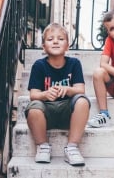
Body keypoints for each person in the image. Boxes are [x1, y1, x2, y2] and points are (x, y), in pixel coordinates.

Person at [24, 23, 90, 166]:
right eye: (50, 39)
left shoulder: (74, 63)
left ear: (67, 46)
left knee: (83, 101)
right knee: (33, 107)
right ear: (43, 46)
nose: (55, 41)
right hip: (46, 113)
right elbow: (33, 95)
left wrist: (68, 90)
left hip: (68, 112)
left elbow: (80, 89)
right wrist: (45, 94)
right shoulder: (39, 66)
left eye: (60, 39)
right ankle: (42, 146)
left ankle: (72, 148)